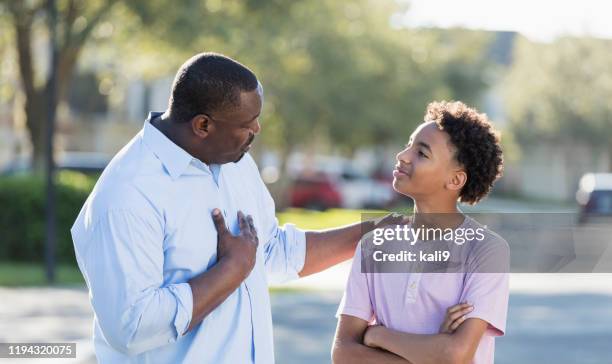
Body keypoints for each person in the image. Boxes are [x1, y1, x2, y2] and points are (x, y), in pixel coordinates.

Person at [71, 52, 389, 363]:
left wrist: (371, 234)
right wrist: (231, 270)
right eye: (248, 123)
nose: (257, 130)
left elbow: (270, 251)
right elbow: (131, 327)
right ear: (203, 126)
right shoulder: (128, 194)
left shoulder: (235, 163)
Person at [332, 101, 509, 364]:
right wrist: (431, 352)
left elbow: (455, 355)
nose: (403, 156)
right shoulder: (374, 246)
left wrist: (378, 336)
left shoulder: (486, 251)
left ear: (455, 180)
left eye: (422, 153)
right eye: (409, 144)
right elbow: (343, 353)